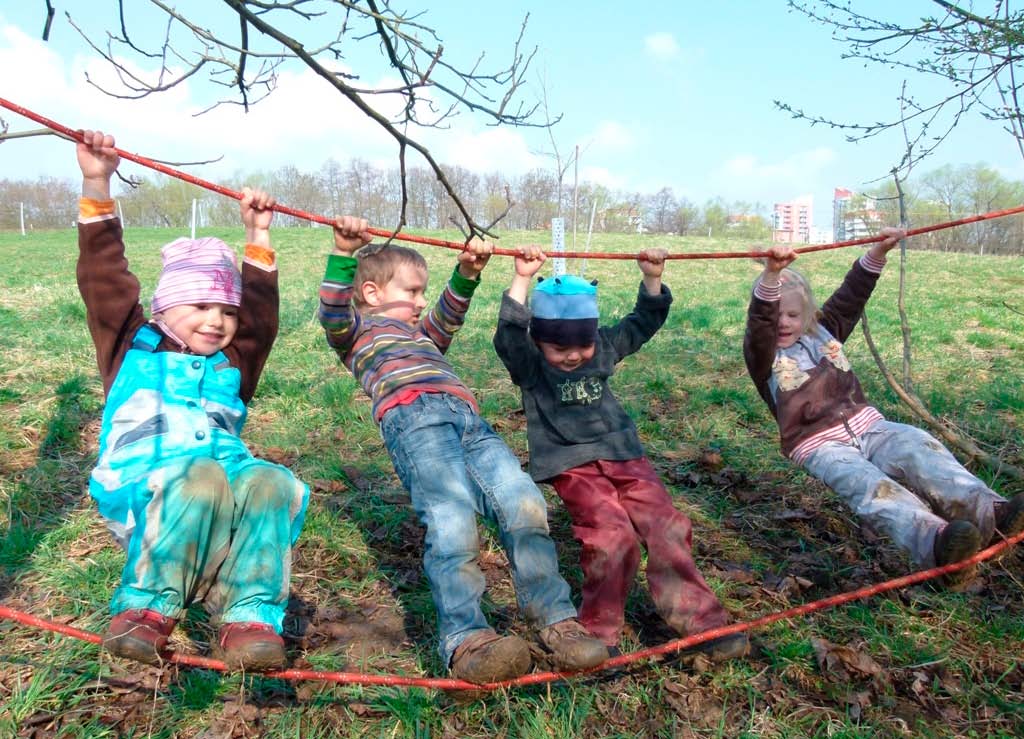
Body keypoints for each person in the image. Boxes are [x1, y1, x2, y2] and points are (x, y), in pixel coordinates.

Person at [318, 219, 610, 684]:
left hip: (468, 419)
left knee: (524, 501)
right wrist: (343, 254)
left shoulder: (423, 336)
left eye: (423, 293)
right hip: (416, 422)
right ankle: (466, 638)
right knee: (452, 522)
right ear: (372, 293)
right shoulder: (357, 334)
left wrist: (468, 272)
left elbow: (447, 316)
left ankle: (555, 619)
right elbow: (332, 310)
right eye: (412, 292)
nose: (420, 303)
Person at [76, 130, 309, 671]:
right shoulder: (131, 344)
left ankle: (249, 616)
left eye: (226, 312)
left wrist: (259, 235)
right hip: (146, 486)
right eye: (201, 306)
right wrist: (96, 182)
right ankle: (145, 611)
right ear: (163, 308)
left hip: (222, 487)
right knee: (199, 473)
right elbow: (104, 279)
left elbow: (261, 319)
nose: (217, 321)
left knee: (272, 479)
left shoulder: (231, 363)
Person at [493, 246, 749, 662]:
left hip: (624, 454)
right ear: (539, 341)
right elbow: (508, 337)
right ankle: (598, 628)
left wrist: (651, 279)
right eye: (560, 349)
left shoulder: (603, 345)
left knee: (666, 525)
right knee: (612, 536)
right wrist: (522, 279)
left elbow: (643, 322)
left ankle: (702, 623)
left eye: (582, 346)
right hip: (572, 464)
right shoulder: (531, 363)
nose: (573, 355)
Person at [743, 230, 1024, 586]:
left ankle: (991, 513)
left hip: (870, 426)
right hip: (820, 446)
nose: (783, 322)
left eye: (793, 314)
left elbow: (851, 296)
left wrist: (878, 252)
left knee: (919, 447)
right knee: (873, 489)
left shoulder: (825, 331)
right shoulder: (764, 355)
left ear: (809, 315)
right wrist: (770, 276)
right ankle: (936, 543)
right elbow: (759, 324)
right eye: (777, 315)